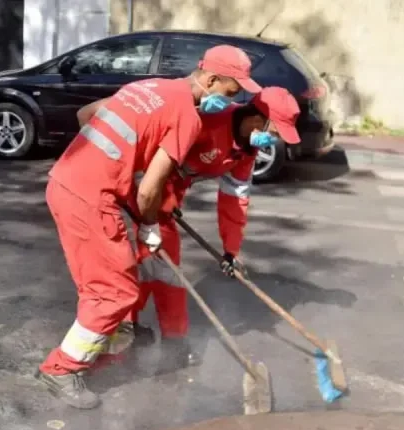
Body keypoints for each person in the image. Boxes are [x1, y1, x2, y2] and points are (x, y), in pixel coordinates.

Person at [36, 45, 262, 409]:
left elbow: (86, 114)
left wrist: (115, 166)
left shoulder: (150, 87)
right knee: (116, 292)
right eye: (231, 92)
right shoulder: (188, 117)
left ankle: (100, 353)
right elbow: (150, 187)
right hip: (91, 199)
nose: (232, 101)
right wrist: (149, 224)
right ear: (211, 79)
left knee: (102, 285)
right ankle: (61, 369)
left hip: (65, 183)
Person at [128, 86, 302, 370]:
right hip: (146, 187)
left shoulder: (246, 150)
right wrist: (161, 201)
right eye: (274, 131)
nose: (273, 139)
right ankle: (163, 339)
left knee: (153, 264)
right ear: (258, 118)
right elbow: (150, 157)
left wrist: (231, 251)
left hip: (169, 193)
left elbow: (234, 199)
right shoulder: (207, 122)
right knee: (162, 265)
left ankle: (137, 330)